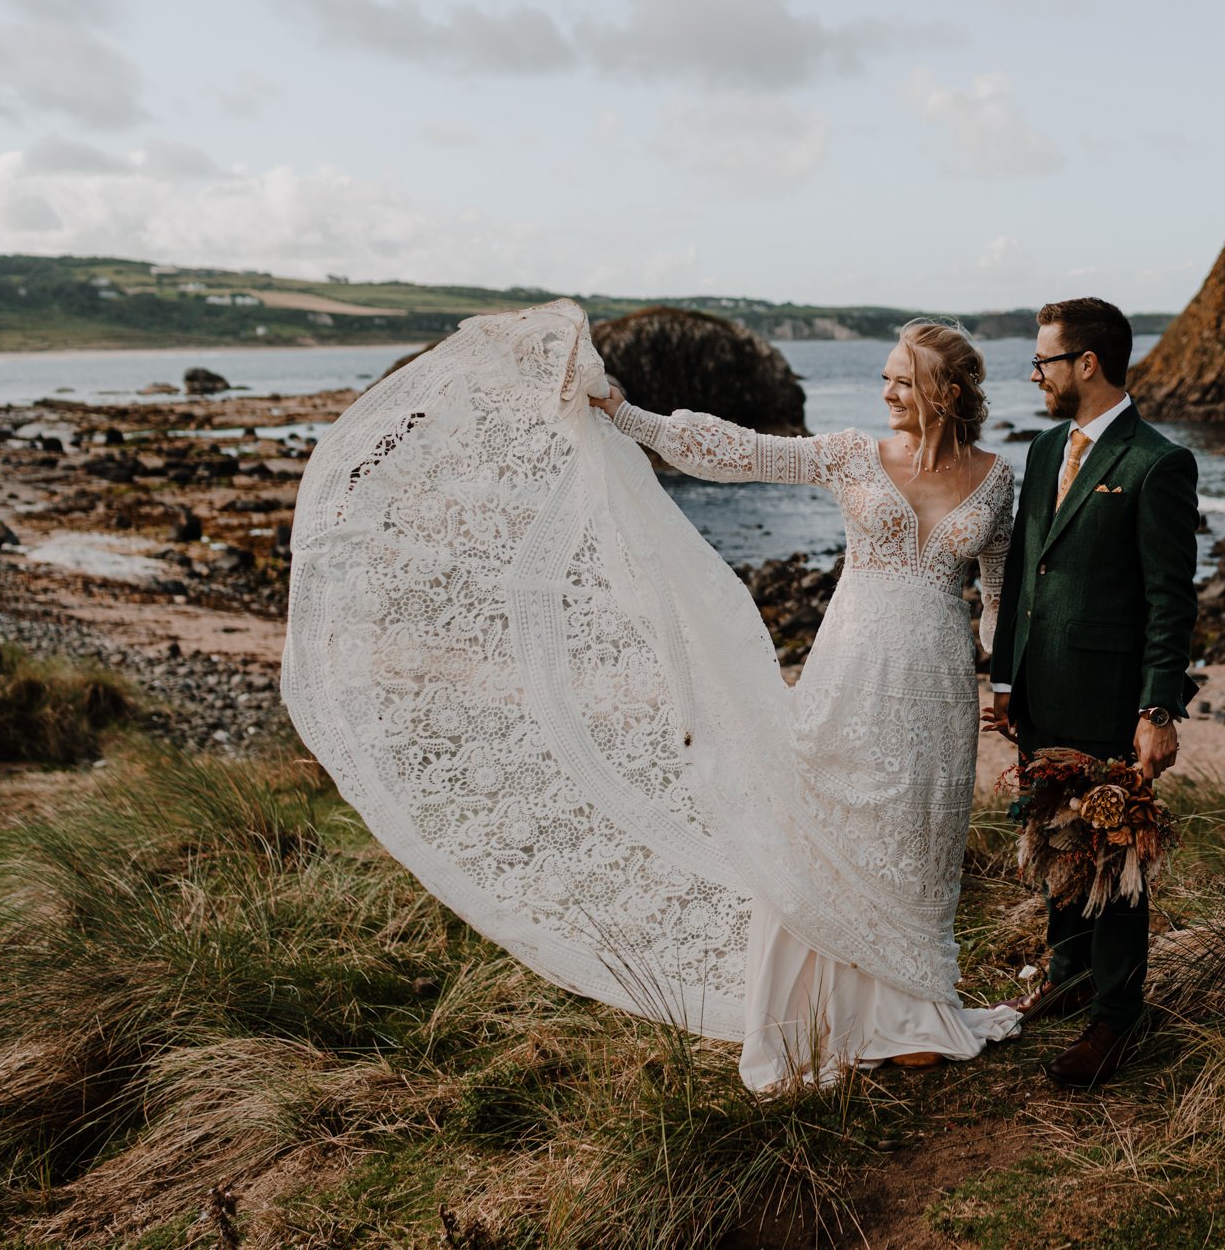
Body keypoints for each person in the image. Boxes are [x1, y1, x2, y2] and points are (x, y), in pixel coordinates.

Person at [282, 300, 1020, 1091]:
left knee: (918, 832)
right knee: (832, 822)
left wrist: (1006, 679)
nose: (887, 393)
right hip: (850, 667)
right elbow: (741, 453)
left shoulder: (996, 480)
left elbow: (1000, 590)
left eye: (903, 381)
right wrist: (630, 418)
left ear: (944, 389)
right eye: (884, 378)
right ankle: (836, 1014)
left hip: (936, 679)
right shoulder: (851, 455)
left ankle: (914, 1009)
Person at [983, 296, 1201, 1088]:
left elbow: (1171, 599)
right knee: (1056, 841)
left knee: (1114, 855)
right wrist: (1006, 676)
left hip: (1112, 697)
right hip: (1043, 692)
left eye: (1043, 360)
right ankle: (1069, 973)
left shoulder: (1156, 462)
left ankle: (1115, 1017)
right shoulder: (1043, 452)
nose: (1035, 373)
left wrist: (1158, 708)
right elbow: (1021, 573)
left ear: (1086, 365)